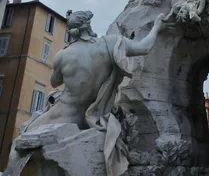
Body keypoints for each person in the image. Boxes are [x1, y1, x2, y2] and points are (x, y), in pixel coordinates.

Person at [9, 10, 166, 176]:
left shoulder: (62, 55)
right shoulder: (111, 44)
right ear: (88, 26)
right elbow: (144, 47)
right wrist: (157, 26)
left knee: (18, 143)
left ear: (71, 32)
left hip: (62, 115)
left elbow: (55, 82)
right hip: (91, 117)